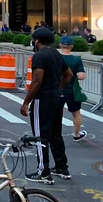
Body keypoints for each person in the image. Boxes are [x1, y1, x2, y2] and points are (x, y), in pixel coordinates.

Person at [20, 27, 74, 184]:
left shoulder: (39, 56)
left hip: (42, 99)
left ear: (36, 41)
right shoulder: (56, 54)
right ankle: (62, 167)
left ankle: (43, 171)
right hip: (57, 96)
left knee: (40, 135)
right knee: (55, 133)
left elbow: (37, 81)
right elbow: (69, 74)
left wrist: (26, 102)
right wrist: (58, 87)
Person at [59, 36, 88, 142]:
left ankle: (53, 134)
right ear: (71, 46)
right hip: (71, 90)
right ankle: (76, 135)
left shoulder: (57, 57)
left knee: (56, 113)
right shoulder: (76, 59)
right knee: (76, 113)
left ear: (60, 45)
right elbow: (81, 76)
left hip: (57, 89)